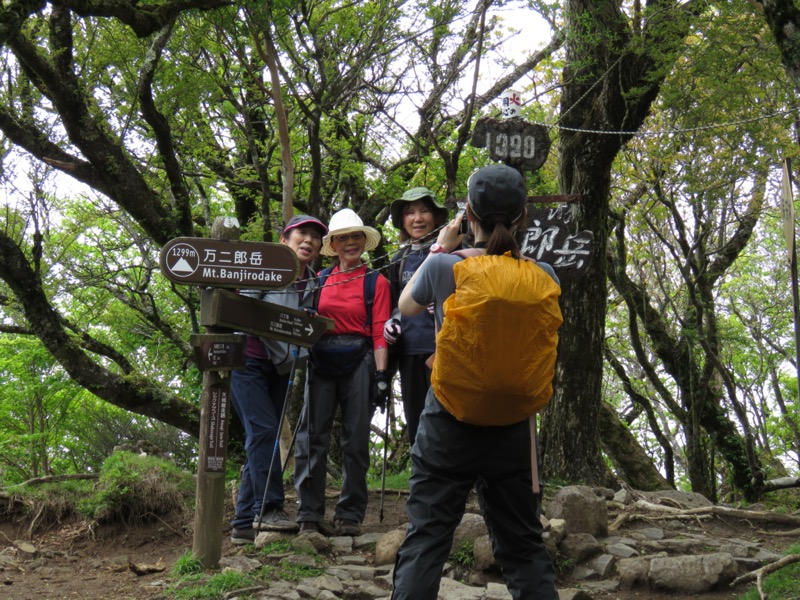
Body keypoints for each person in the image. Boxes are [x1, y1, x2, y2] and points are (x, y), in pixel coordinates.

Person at [391, 164, 561, 599]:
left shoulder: (444, 267)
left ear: (468, 213)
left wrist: (439, 249)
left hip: (448, 420)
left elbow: (406, 306)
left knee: (427, 539)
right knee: (524, 548)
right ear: (524, 216)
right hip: (513, 428)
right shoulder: (545, 276)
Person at [229, 214, 328, 545]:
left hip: (280, 366)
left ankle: (243, 523)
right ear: (285, 239)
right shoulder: (267, 267)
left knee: (260, 439)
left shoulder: (313, 280)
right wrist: (287, 322)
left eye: (315, 236)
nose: (309, 240)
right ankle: (268, 509)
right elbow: (243, 308)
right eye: (302, 233)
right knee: (264, 433)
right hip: (248, 361)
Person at [293, 208, 391, 537]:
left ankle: (350, 513)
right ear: (332, 245)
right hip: (321, 358)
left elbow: (380, 332)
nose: (350, 243)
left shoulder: (376, 282)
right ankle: (309, 512)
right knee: (312, 437)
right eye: (342, 238)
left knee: (356, 439)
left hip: (360, 360)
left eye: (356, 236)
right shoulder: (319, 280)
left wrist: (381, 376)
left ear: (364, 242)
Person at [384, 187, 448, 444]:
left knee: (448, 417)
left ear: (436, 217)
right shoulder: (399, 259)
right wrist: (393, 323)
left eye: (424, 211)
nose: (418, 218)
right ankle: (422, 479)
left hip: (444, 349)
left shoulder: (451, 251)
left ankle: (453, 480)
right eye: (410, 213)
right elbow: (395, 304)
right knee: (416, 418)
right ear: (402, 221)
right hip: (410, 351)